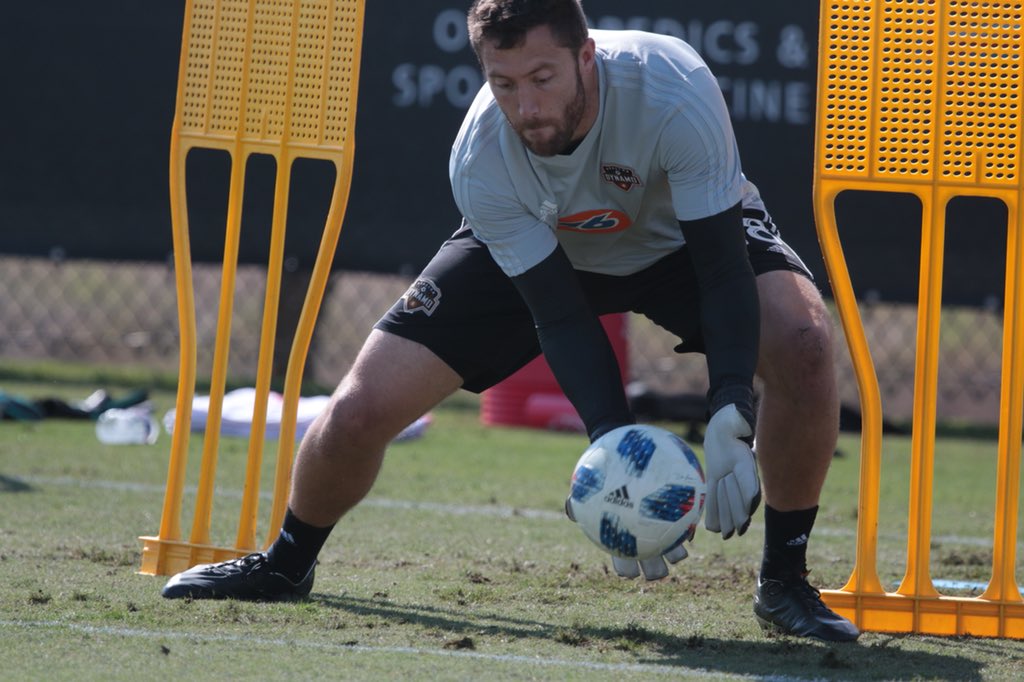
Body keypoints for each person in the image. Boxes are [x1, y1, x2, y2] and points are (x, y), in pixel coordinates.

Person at [162, 0, 859, 643]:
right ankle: (285, 564)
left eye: (542, 77)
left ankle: (784, 582)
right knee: (357, 409)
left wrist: (732, 404)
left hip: (679, 242)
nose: (526, 106)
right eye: (503, 83)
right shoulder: (481, 156)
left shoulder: (672, 87)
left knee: (803, 343)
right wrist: (613, 453)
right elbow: (558, 312)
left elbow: (721, 267)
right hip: (548, 247)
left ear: (587, 56)